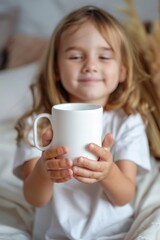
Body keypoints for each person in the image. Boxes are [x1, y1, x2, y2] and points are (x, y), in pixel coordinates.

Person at [13, 5, 151, 240]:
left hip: (113, 234)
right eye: (76, 56)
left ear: (122, 71)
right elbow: (34, 198)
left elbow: (124, 196)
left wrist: (108, 173)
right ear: (56, 69)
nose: (90, 65)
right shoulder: (37, 125)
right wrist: (43, 172)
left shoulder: (128, 122)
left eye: (104, 56)